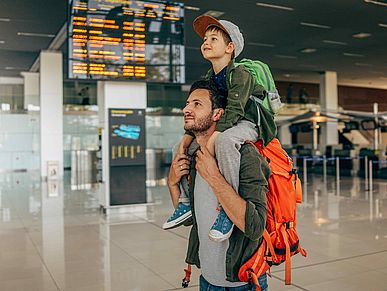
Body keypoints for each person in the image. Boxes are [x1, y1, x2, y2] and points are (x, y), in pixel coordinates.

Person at [162, 15, 277, 242]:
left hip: (250, 122)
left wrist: (213, 138)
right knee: (180, 145)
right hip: (228, 123)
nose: (206, 42)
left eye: (214, 38)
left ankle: (227, 207)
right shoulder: (210, 77)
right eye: (205, 38)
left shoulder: (240, 74)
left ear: (230, 47)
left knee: (225, 141)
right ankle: (184, 202)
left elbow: (234, 111)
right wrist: (187, 139)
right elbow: (210, 112)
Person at [167, 80, 270, 290]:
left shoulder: (245, 155)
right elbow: (192, 220)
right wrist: (172, 183)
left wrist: (214, 176)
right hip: (206, 279)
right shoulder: (194, 155)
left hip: (241, 283)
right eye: (188, 104)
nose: (186, 109)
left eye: (197, 104)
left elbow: (255, 226)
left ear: (217, 114)